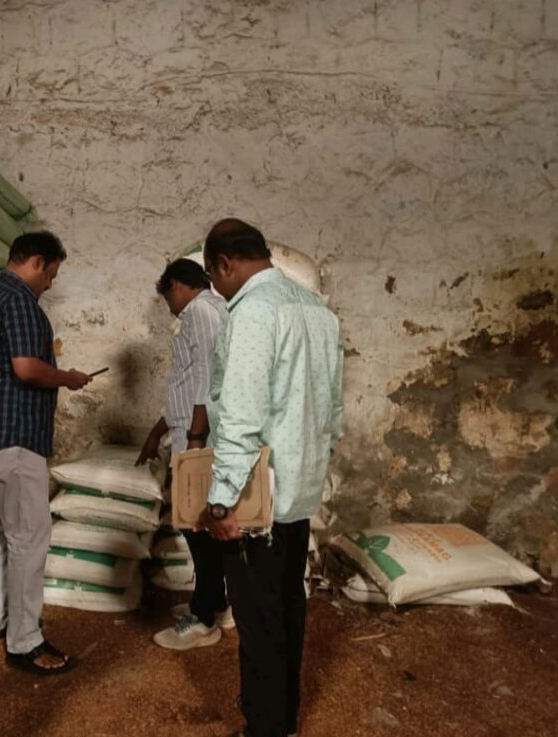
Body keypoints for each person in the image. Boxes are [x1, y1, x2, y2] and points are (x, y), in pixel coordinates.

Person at [199, 219, 343, 737]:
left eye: (214, 277)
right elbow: (334, 413)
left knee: (258, 622)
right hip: (298, 494)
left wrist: (220, 503)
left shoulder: (254, 313)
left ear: (223, 264)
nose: (218, 287)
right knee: (287, 609)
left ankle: (263, 726)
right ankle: (281, 719)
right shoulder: (318, 313)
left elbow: (240, 418)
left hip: (257, 501)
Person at [0, 231, 92, 675]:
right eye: (52, 275)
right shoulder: (21, 299)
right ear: (37, 262)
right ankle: (25, 642)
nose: (50, 285)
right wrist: (67, 377)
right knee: (29, 541)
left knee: (1, 533)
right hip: (19, 437)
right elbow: (25, 367)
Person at [137, 258, 233, 650]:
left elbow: (206, 380)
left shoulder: (200, 311)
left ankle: (203, 618)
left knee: (198, 528)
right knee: (200, 525)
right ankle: (218, 604)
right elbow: (186, 383)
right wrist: (159, 431)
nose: (170, 307)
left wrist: (194, 440)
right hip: (190, 431)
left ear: (178, 285)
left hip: (199, 436)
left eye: (168, 297)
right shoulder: (209, 312)